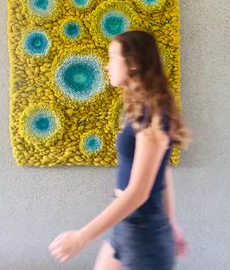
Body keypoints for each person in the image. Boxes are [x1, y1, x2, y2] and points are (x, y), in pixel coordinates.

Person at [49, 30, 192, 269]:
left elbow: (138, 193)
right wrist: (172, 222)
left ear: (133, 63)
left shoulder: (153, 117)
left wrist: (81, 236)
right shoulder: (139, 108)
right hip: (128, 224)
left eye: (113, 57)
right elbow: (161, 172)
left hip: (144, 234)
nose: (107, 66)